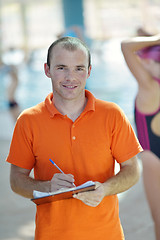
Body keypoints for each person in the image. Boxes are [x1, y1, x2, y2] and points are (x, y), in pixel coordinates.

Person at [6, 37, 142, 240]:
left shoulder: (112, 114)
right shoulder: (28, 120)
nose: (71, 77)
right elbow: (16, 180)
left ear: (88, 71)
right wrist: (46, 187)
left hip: (107, 234)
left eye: (79, 68)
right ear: (47, 70)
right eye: (61, 67)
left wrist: (105, 189)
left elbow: (132, 169)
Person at [121, 35, 160, 240]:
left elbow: (126, 46)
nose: (143, 64)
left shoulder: (149, 86)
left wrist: (157, 37)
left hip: (153, 157)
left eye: (148, 61)